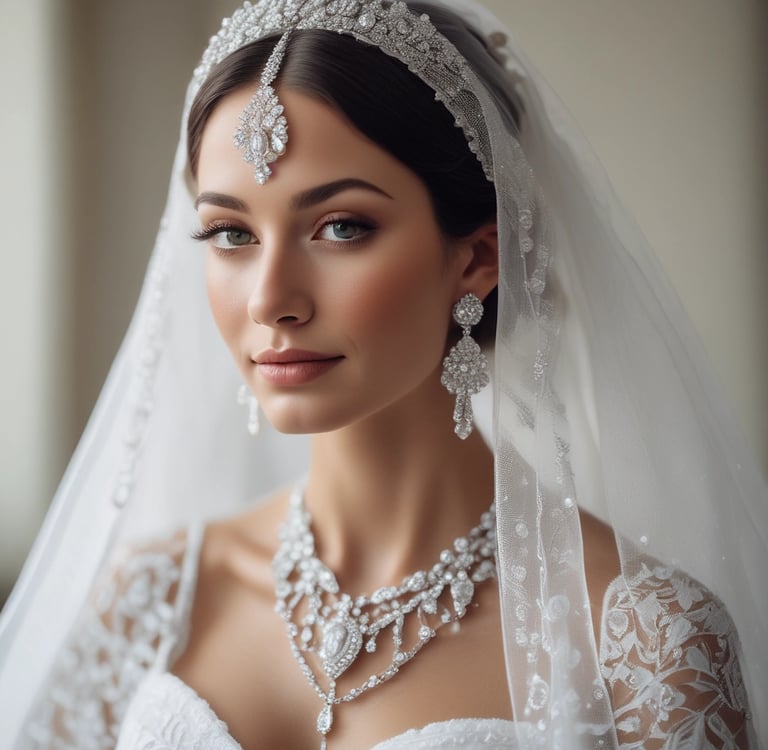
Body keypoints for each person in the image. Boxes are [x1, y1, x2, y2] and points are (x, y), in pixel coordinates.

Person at [0, 1, 765, 748]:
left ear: (477, 258)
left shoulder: (648, 648)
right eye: (231, 232)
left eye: (341, 226)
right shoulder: (148, 603)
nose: (270, 298)